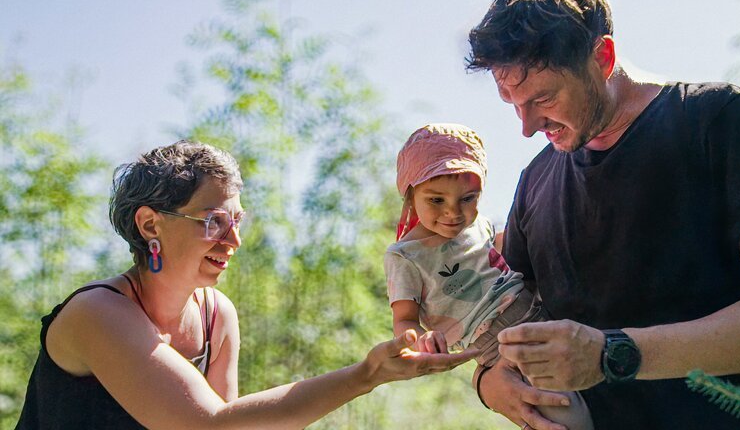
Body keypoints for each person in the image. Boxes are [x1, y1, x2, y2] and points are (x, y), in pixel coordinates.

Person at [464, 0, 740, 429]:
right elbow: (498, 323)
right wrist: (489, 384)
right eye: (513, 104)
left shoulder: (721, 120)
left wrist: (613, 354)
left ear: (602, 58)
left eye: (544, 99)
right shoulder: (535, 181)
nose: (526, 128)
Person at [15, 140, 476, 430]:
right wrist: (366, 375)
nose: (234, 239)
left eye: (236, 220)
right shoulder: (97, 314)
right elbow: (211, 425)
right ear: (150, 224)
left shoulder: (217, 315)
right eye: (214, 221)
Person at [386, 123, 593, 430]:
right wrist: (422, 341)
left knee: (600, 388)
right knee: (566, 417)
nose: (453, 213)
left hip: (542, 314)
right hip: (500, 349)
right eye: (436, 200)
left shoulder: (478, 225)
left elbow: (501, 258)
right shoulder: (405, 256)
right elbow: (404, 320)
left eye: (467, 198)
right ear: (410, 194)